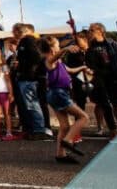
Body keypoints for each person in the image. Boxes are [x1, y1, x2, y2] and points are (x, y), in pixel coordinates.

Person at [39, 36, 90, 164]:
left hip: (58, 94)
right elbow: (54, 57)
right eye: (57, 46)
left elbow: (71, 70)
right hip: (58, 93)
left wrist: (82, 68)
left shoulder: (60, 62)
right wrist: (66, 48)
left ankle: (60, 155)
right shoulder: (49, 61)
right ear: (52, 49)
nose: (59, 48)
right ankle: (68, 141)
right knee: (84, 117)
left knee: (64, 126)